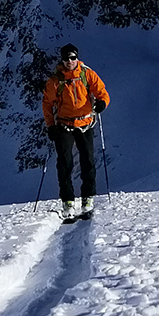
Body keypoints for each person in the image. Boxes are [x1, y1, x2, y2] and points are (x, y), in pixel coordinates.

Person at [41, 43, 109, 223]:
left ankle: (88, 199)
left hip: (86, 122)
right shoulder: (55, 81)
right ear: (62, 60)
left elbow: (102, 92)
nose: (70, 61)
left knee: (88, 160)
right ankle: (68, 202)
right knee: (65, 163)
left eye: (73, 57)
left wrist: (102, 103)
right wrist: (51, 126)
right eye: (66, 58)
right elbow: (47, 104)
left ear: (77, 57)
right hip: (64, 125)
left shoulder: (87, 74)